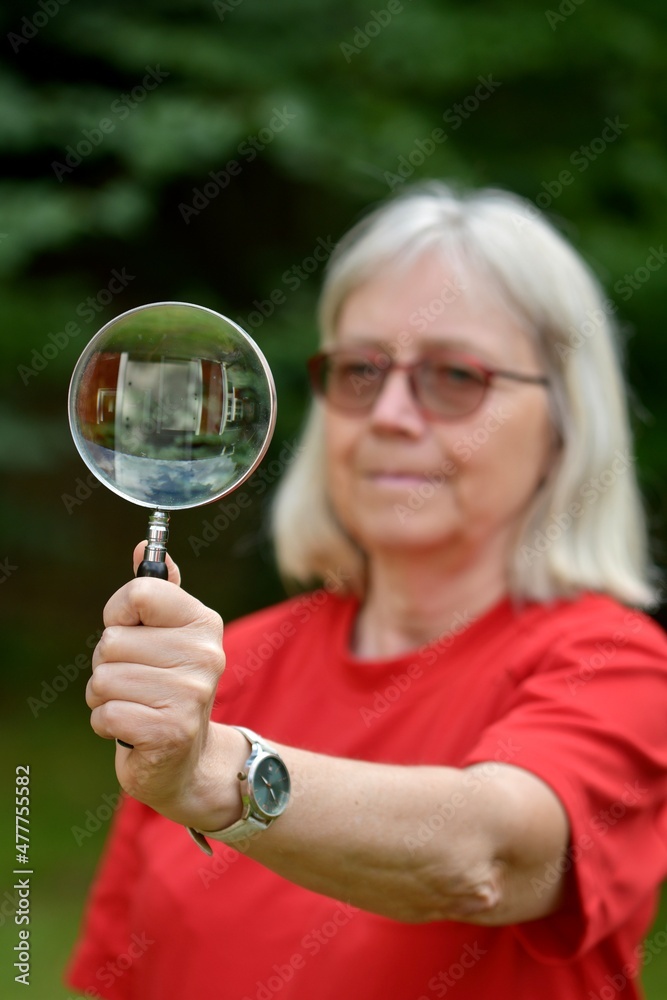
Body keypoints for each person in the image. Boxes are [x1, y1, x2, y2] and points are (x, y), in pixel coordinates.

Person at [66, 181, 667, 1000]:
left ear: (564, 424)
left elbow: (487, 858)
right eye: (360, 370)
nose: (388, 413)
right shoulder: (213, 665)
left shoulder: (619, 667)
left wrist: (217, 775)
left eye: (454, 375)